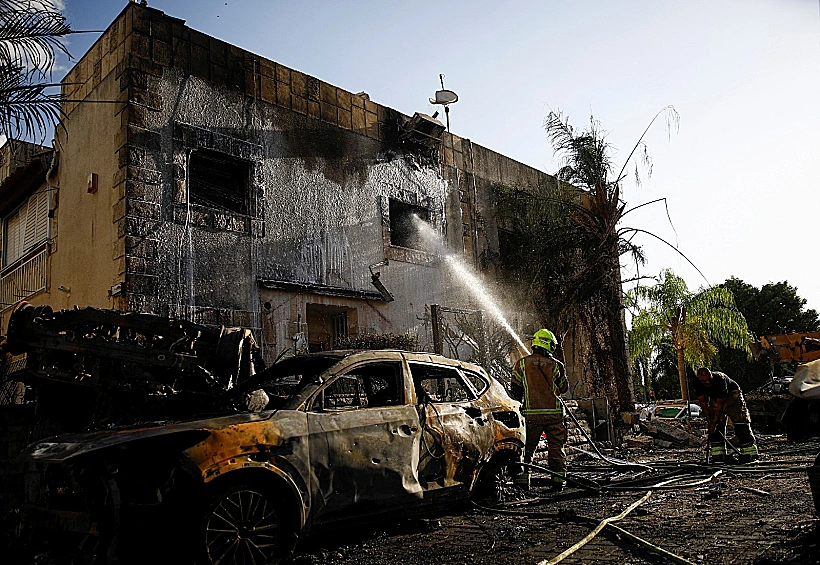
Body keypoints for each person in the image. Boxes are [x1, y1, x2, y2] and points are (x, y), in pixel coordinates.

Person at [510, 329, 568, 491]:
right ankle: (558, 480)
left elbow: (515, 391)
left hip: (531, 416)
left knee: (527, 448)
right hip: (555, 415)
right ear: (549, 345)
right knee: (556, 448)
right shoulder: (557, 365)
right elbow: (563, 388)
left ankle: (522, 481)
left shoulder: (521, 364)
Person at [693, 367, 759, 463]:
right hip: (715, 398)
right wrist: (710, 422)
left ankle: (750, 453)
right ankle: (718, 455)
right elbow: (703, 403)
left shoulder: (720, 380)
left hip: (732, 395)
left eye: (709, 379)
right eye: (704, 381)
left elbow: (720, 406)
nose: (707, 382)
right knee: (714, 428)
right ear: (699, 379)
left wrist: (714, 423)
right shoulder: (697, 383)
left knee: (740, 421)